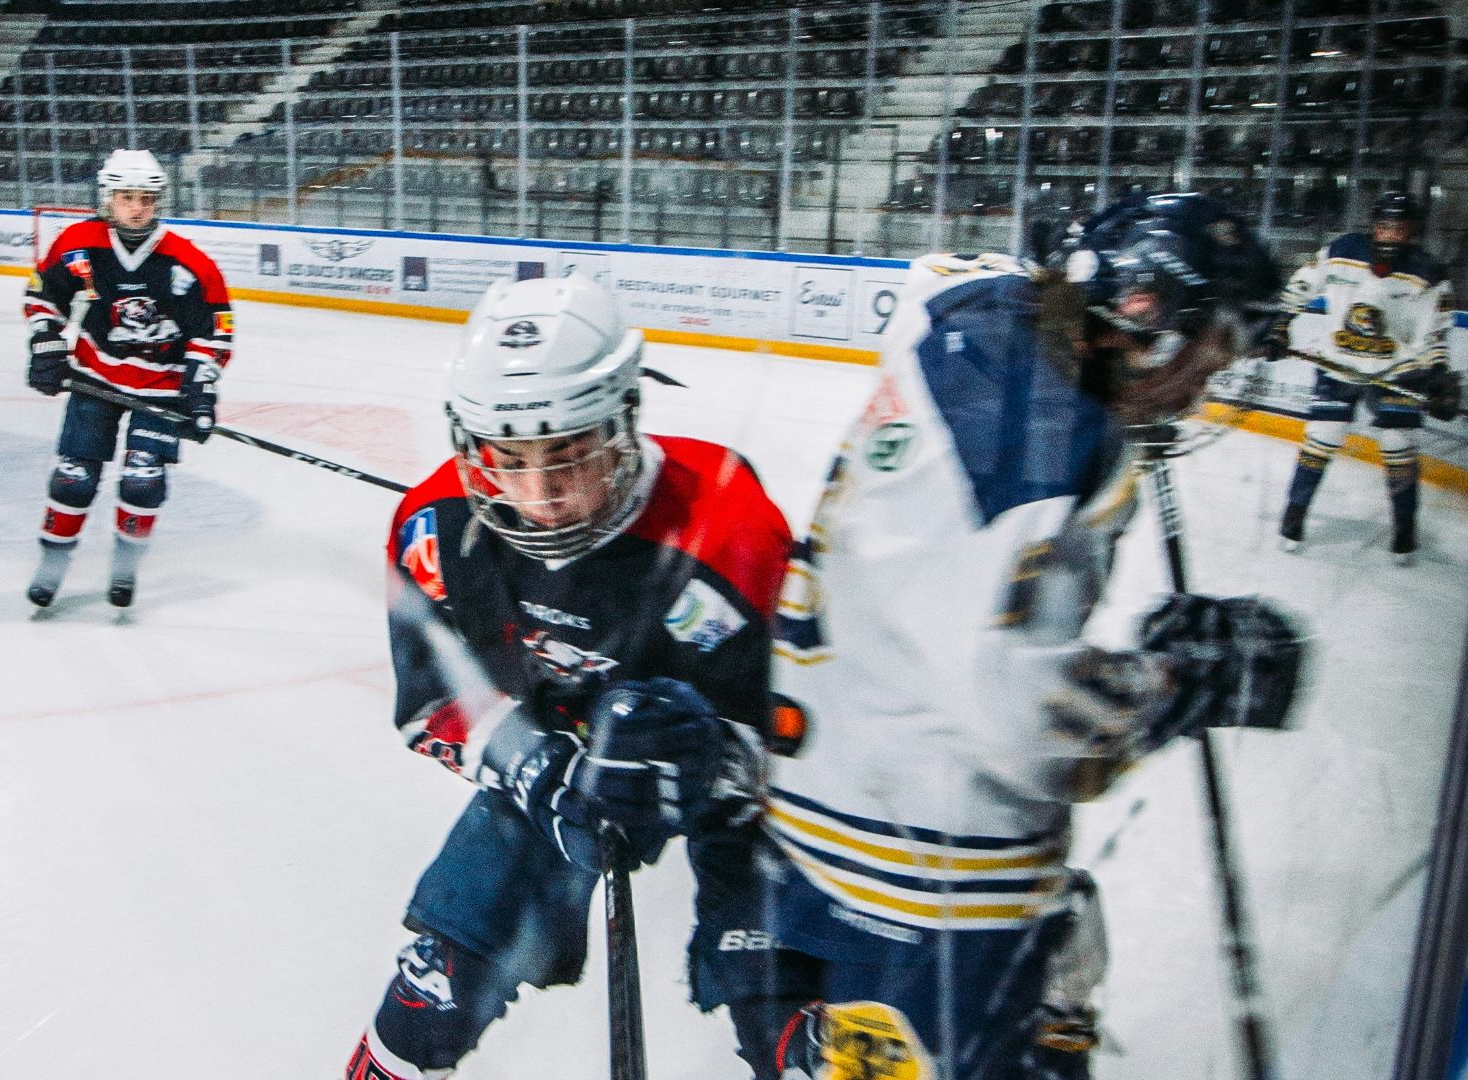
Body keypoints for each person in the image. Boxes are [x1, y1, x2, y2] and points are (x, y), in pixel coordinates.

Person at [760, 194, 1306, 1080]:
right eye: (1218, 348)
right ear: (1146, 315)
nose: (1211, 384)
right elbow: (1021, 717)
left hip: (848, 788)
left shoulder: (993, 336)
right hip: (922, 864)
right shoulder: (1044, 423)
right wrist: (1179, 682)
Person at [346, 273, 796, 1079]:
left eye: (568, 455)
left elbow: (800, 739)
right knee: (435, 988)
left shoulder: (727, 527)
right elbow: (433, 706)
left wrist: (707, 764)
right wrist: (539, 771)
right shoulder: (434, 529)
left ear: (624, 421)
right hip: (554, 750)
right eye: (507, 459)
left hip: (703, 763)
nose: (539, 494)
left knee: (788, 997)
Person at [22, 148, 233, 609]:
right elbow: (44, 297)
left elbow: (214, 330)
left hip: (161, 387)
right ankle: (52, 565)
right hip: (96, 376)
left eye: (146, 198)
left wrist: (201, 391)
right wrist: (46, 345)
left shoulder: (187, 263)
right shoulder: (80, 244)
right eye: (126, 197)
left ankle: (124, 570)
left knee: (142, 480)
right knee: (73, 478)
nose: (137, 207)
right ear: (108, 198)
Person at [1270, 190, 1460, 564]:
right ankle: (1294, 516)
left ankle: (1404, 529)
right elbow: (1304, 282)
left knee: (1397, 447)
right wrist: (1281, 324)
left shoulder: (1428, 273)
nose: (1391, 235)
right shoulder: (1343, 250)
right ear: (1374, 227)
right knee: (1321, 438)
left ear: (1412, 233)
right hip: (1337, 364)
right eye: (1385, 227)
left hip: (1396, 371)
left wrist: (1436, 373)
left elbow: (1436, 332)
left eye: (1400, 229)